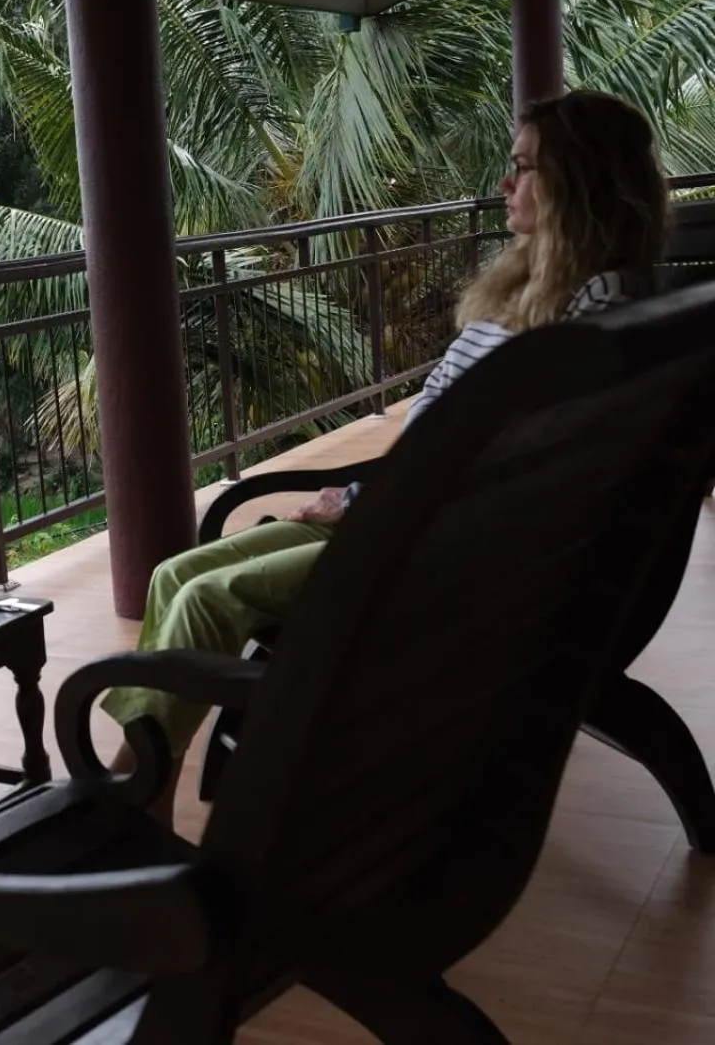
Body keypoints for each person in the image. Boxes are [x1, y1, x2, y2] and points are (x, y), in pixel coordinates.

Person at [102, 89, 670, 822]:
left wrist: (365, 502)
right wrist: (361, 495)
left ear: (582, 180)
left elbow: (510, 464)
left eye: (525, 168)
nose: (505, 184)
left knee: (212, 597)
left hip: (443, 549)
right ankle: (134, 783)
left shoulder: (597, 308)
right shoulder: (540, 285)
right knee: (177, 571)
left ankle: (130, 798)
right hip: (405, 515)